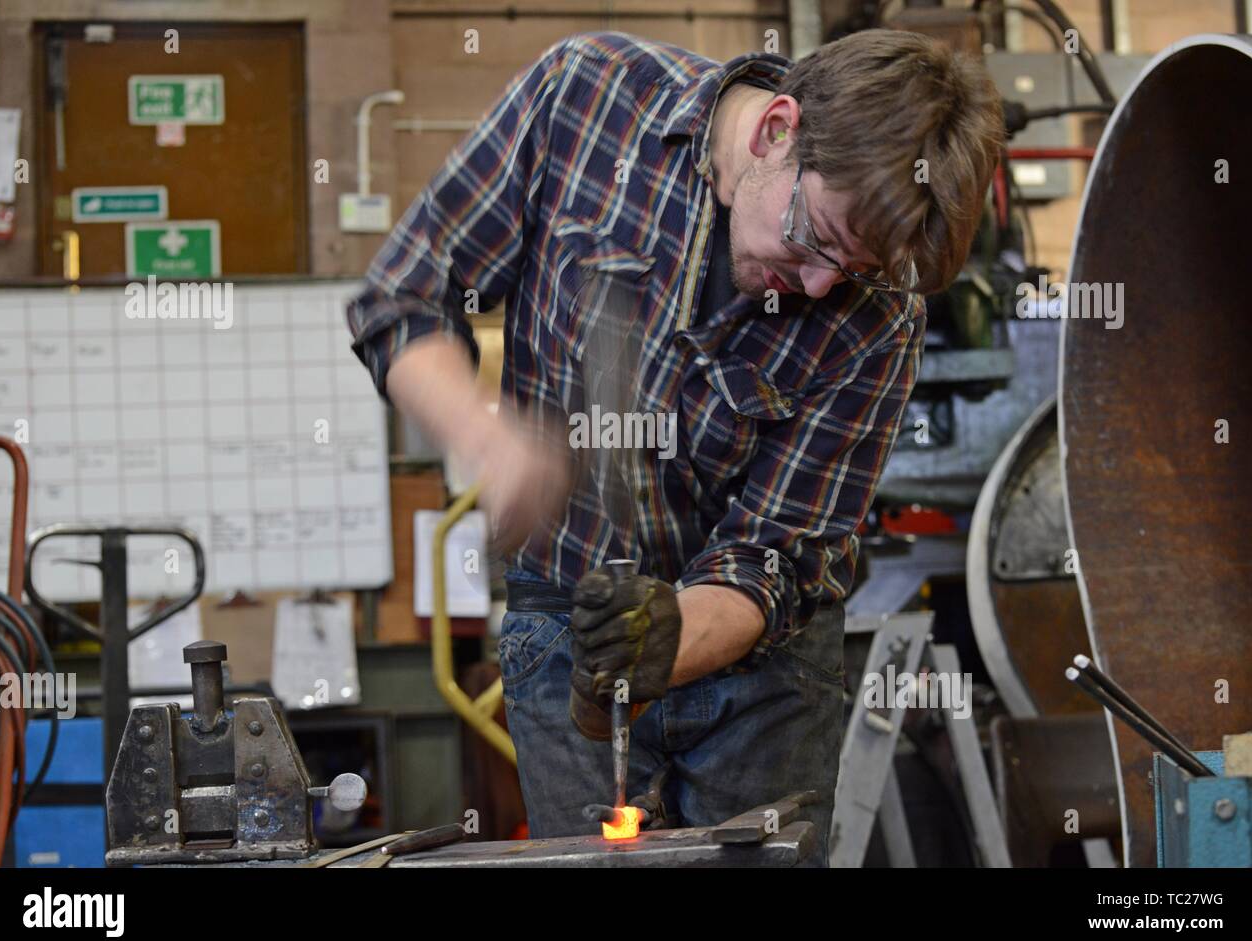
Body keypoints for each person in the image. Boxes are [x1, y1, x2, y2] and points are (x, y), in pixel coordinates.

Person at [347, 29, 1004, 866]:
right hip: (565, 617)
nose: (815, 287)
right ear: (776, 129)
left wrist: (672, 637)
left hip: (761, 666)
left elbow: (775, 553)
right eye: (815, 240)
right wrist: (487, 438)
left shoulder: (882, 314)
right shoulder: (587, 99)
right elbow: (402, 295)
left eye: (852, 270)